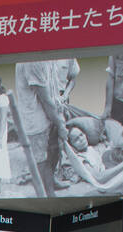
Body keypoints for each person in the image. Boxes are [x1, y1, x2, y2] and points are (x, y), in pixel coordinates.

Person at [14, 58, 80, 192]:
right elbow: (45, 99)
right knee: (42, 162)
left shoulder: (49, 57)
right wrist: (61, 124)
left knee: (54, 149)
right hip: (36, 121)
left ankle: (52, 183)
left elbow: (52, 88)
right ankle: (49, 196)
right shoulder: (33, 60)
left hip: (51, 112)